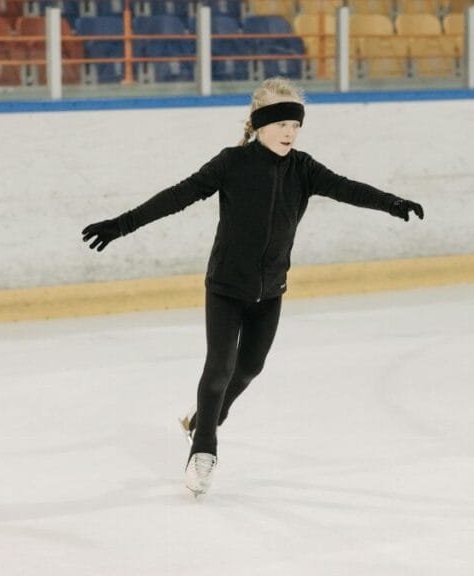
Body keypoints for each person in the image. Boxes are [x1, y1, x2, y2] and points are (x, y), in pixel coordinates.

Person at [81, 77, 424, 498]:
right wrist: (122, 224)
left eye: (296, 126)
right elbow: (179, 195)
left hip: (270, 290)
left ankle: (202, 417)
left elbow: (347, 188)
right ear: (259, 125)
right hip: (226, 287)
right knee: (220, 368)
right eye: (281, 124)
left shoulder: (304, 168)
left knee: (250, 368)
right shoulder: (232, 163)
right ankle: (204, 448)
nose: (289, 133)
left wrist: (392, 203)